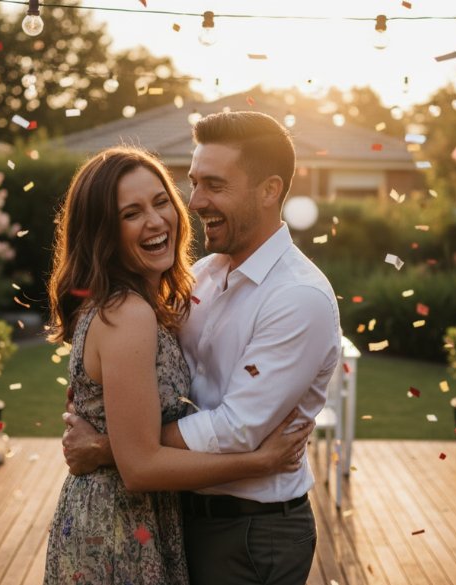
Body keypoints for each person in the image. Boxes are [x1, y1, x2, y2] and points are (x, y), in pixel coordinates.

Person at [63, 112, 342, 585]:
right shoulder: (206, 276)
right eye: (193, 183)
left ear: (269, 190)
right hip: (178, 515)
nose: (194, 202)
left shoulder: (298, 297)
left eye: (214, 185)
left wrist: (113, 448)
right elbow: (127, 383)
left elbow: (236, 428)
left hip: (250, 530)